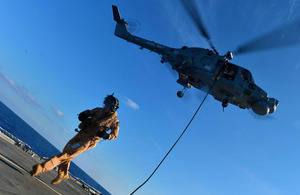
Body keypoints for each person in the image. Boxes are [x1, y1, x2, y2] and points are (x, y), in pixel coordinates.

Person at [29, 94, 120, 184]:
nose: (105, 106)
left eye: (107, 105)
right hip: (80, 134)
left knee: (67, 154)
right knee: (66, 152)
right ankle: (63, 174)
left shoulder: (114, 121)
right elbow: (88, 112)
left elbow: (114, 135)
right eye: (105, 104)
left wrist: (106, 135)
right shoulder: (98, 110)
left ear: (112, 108)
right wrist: (83, 114)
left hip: (88, 141)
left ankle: (42, 168)